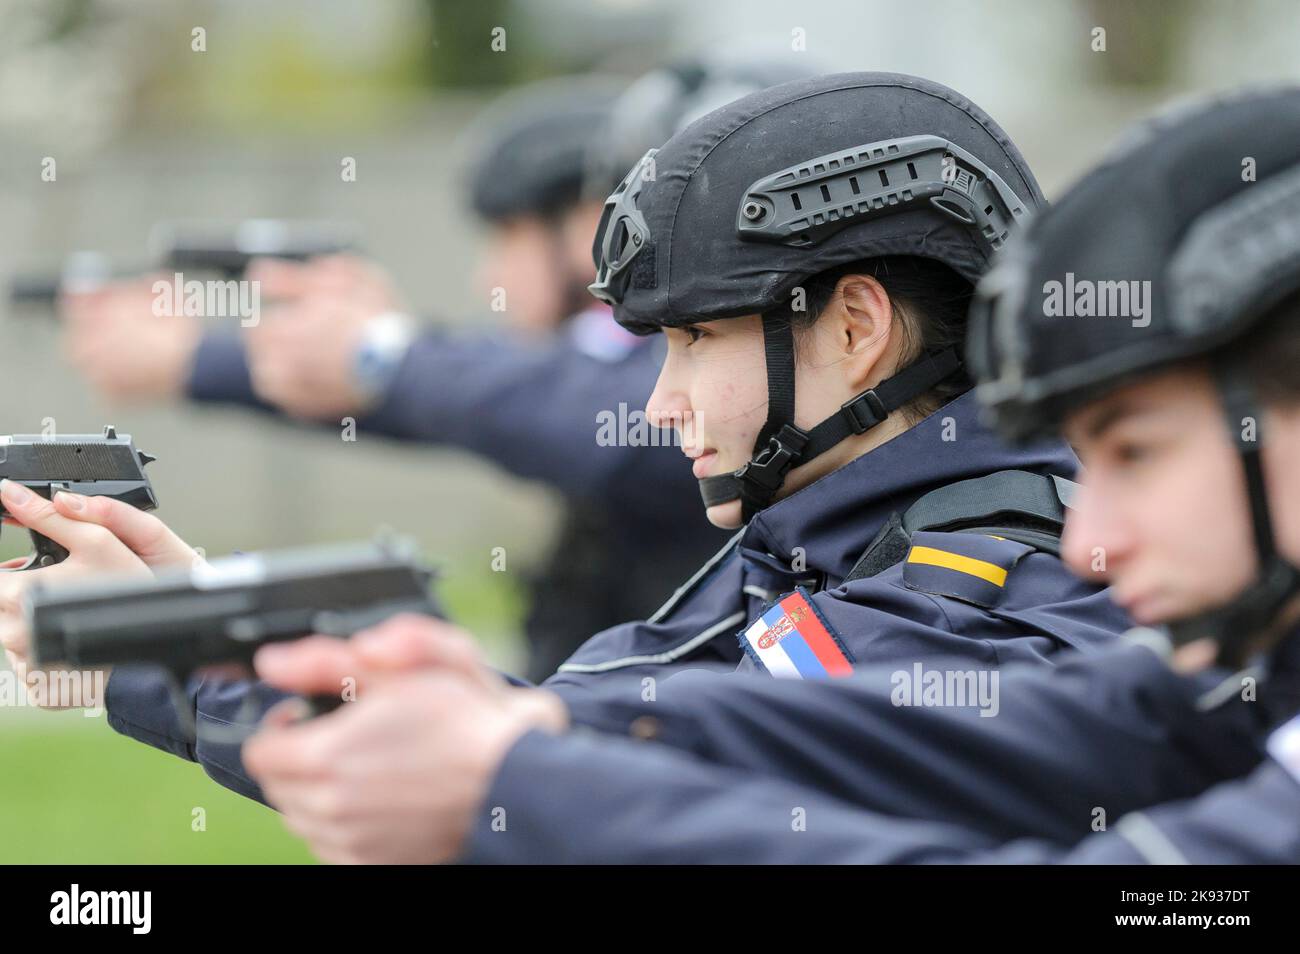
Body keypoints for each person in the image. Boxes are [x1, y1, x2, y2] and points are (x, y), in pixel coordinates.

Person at [222, 85, 1300, 864]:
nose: (1089, 544)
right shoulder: (1216, 675)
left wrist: (518, 773)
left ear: (856, 329)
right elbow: (1081, 724)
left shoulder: (986, 570)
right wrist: (206, 659)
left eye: (1137, 452)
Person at [0, 72, 1128, 810]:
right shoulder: (828, 533)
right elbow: (560, 716)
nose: (655, 403)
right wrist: (191, 622)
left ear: (854, 326)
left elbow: (583, 770)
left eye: (691, 340)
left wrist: (171, 659)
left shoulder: (964, 589)